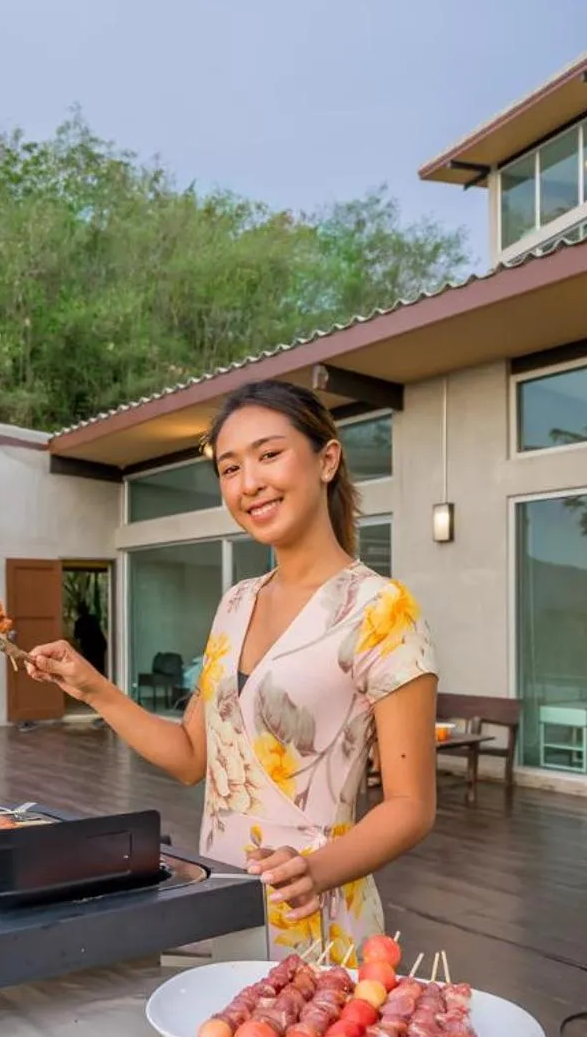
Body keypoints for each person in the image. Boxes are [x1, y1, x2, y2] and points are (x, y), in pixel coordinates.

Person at [23, 379, 438, 959]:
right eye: (229, 468)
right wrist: (92, 689)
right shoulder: (236, 604)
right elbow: (193, 757)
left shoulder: (382, 610)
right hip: (217, 895)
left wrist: (316, 871)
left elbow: (411, 806)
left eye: (269, 455)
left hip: (317, 914)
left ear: (327, 459)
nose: (249, 484)